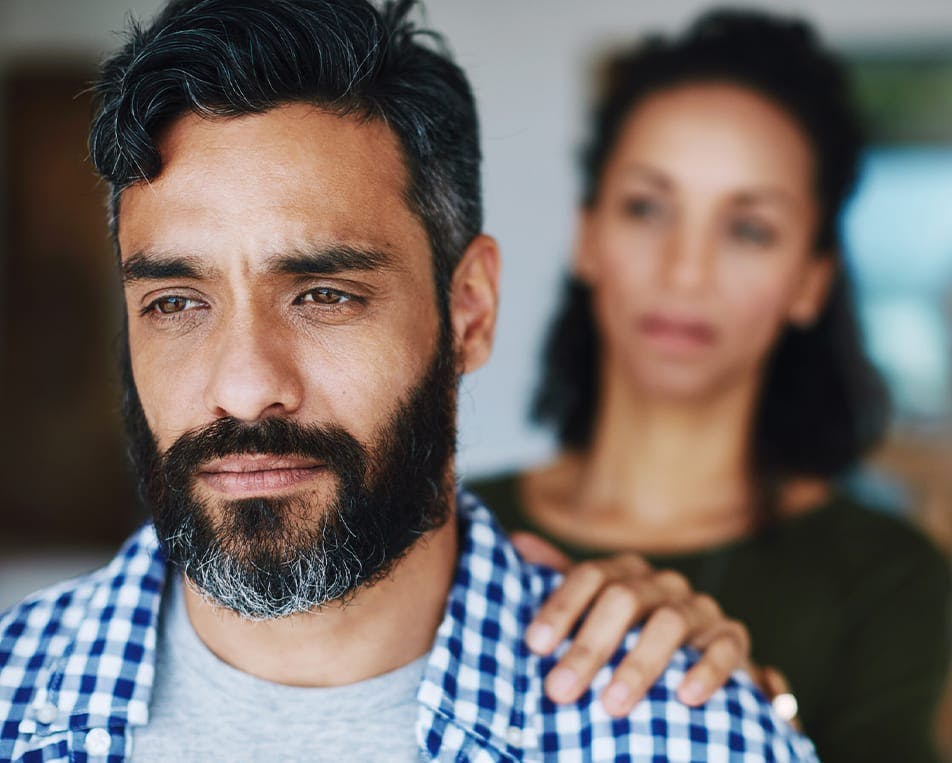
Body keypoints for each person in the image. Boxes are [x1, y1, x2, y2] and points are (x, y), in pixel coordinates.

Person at [0, 1, 816, 761]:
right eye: (176, 302)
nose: (245, 388)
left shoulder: (693, 737)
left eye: (324, 295)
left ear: (470, 310)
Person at [469, 9, 952, 762]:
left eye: (748, 228)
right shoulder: (450, 529)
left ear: (811, 280)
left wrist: (754, 713)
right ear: (588, 236)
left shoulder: (888, 577)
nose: (686, 271)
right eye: (647, 208)